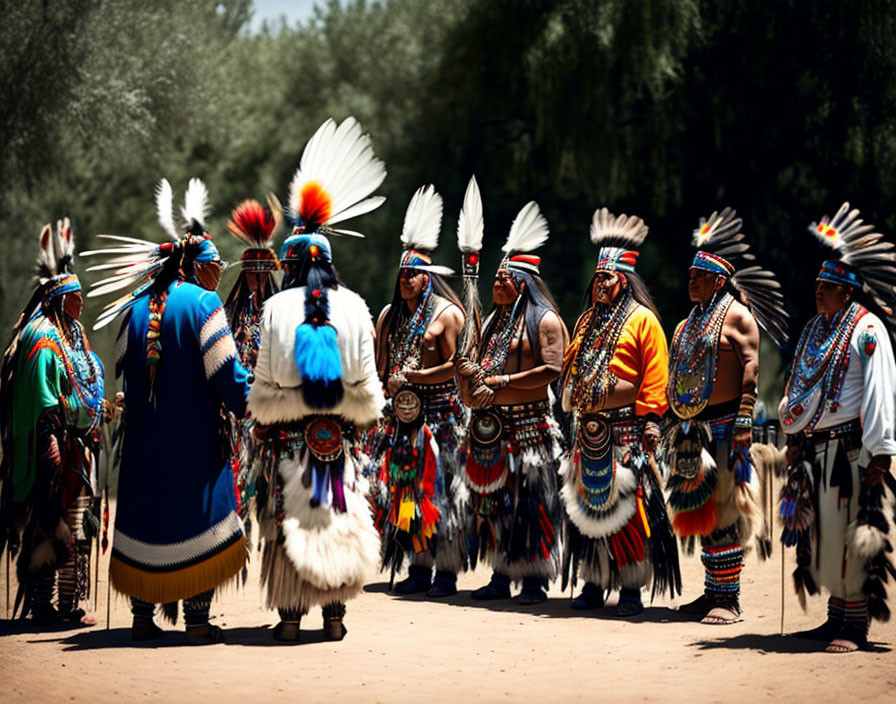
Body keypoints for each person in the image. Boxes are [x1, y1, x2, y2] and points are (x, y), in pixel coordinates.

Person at [84, 178, 249, 643]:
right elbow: (227, 376)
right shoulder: (204, 303)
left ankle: (142, 617)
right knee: (198, 515)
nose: (221, 274)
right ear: (197, 267)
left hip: (142, 441)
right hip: (195, 441)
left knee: (148, 513)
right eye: (216, 265)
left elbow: (123, 371)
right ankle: (197, 620)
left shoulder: (132, 309)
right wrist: (251, 399)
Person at [248, 116, 385, 642]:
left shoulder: (274, 307)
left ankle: (289, 615)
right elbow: (369, 390)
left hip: (288, 438)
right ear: (330, 263)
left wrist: (271, 412)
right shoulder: (355, 306)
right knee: (337, 513)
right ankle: (334, 615)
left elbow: (262, 388)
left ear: (288, 263)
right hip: (340, 436)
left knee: (291, 519)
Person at [780, 202, 896, 653]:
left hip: (851, 453)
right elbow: (798, 384)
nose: (818, 293)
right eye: (816, 286)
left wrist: (880, 451)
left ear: (847, 292)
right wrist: (793, 435)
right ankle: (834, 618)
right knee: (823, 535)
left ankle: (855, 625)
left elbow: (880, 392)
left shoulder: (868, 330)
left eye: (826, 287)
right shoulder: (814, 330)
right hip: (815, 450)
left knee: (852, 533)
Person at [665, 207, 788, 624]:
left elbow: (752, 367)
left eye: (698, 277)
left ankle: (729, 599)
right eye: (689, 276)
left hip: (726, 426)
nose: (690, 282)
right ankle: (710, 592)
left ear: (718, 281)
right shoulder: (687, 324)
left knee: (726, 510)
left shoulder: (736, 314)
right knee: (701, 511)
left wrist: (743, 420)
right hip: (692, 429)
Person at [558, 208, 680, 616]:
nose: (598, 285)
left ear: (623, 280)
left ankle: (630, 587)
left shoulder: (643, 320)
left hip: (626, 430)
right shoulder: (587, 321)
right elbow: (573, 368)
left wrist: (651, 420)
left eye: (606, 278)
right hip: (589, 431)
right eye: (596, 279)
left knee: (628, 508)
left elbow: (656, 373)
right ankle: (594, 582)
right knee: (588, 507)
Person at [456, 201, 568, 605]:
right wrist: (469, 373)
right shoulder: (491, 323)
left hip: (530, 428)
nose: (496, 283)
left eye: (504, 278)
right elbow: (476, 369)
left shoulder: (547, 320)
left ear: (523, 283)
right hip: (492, 431)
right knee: (497, 503)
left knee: (533, 501)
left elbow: (551, 370)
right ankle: (501, 576)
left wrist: (499, 382)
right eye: (496, 277)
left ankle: (535, 580)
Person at [0, 218, 105, 626]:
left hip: (72, 445)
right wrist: (55, 451)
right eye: (75, 296)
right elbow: (46, 403)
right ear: (60, 300)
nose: (81, 302)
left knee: (71, 525)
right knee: (55, 524)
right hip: (54, 450)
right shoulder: (44, 339)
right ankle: (51, 607)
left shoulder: (68, 332)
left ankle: (61, 605)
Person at [371, 184, 468, 598]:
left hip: (441, 420)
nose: (407, 279)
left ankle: (446, 572)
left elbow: (455, 368)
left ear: (428, 277)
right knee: (407, 490)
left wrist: (411, 379)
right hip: (402, 422)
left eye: (414, 274)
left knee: (441, 491)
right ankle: (418, 566)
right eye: (403, 273)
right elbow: (378, 367)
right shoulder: (390, 316)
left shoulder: (447, 315)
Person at [223, 197, 281, 536]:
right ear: (244, 273)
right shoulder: (226, 316)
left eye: (263, 271)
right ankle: (235, 530)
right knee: (238, 474)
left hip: (272, 407)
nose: (257, 277)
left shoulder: (280, 313)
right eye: (251, 271)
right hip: (237, 408)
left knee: (273, 479)